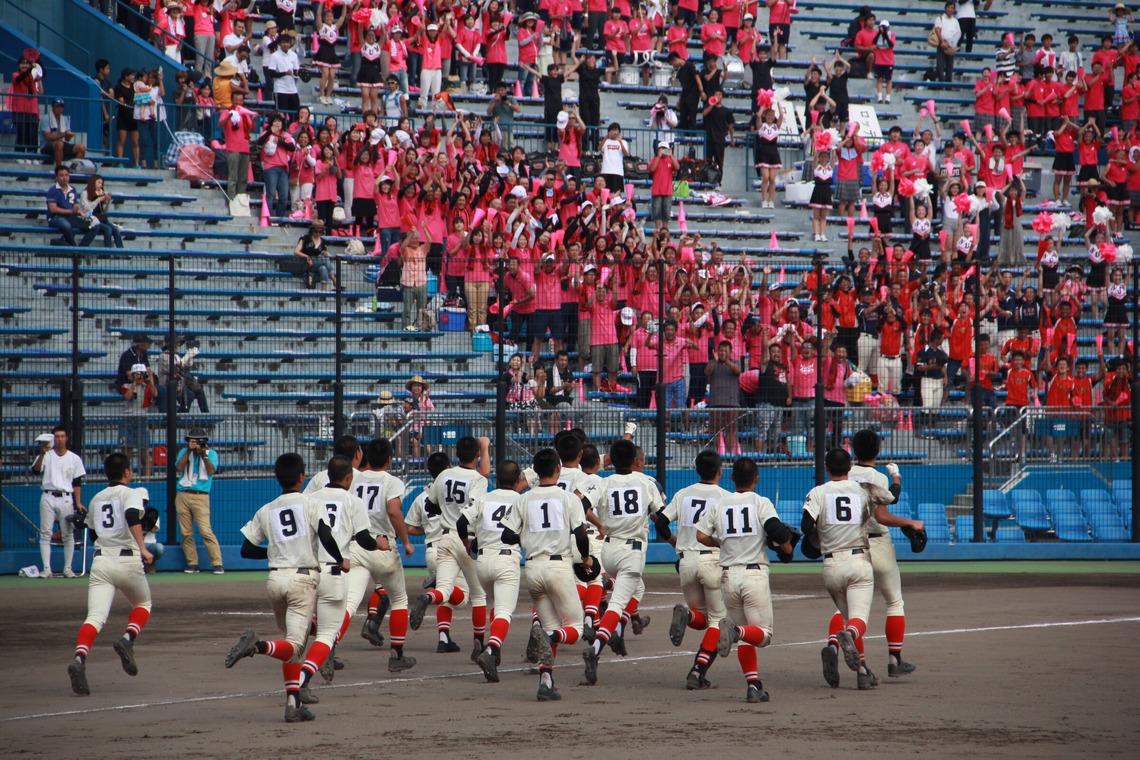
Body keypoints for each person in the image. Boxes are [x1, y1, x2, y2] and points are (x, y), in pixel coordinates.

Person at [224, 453, 349, 723]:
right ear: (302, 477)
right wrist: (340, 559)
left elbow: (246, 549)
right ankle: (257, 646)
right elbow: (326, 535)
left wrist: (274, 554)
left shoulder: (267, 509)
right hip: (302, 581)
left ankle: (293, 704)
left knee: (292, 643)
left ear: (277, 478)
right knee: (293, 645)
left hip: (275, 580)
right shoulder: (310, 502)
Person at [802, 448, 924, 690]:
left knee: (845, 617)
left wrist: (821, 536)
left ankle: (862, 671)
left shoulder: (817, 492)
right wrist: (896, 477)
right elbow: (892, 497)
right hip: (859, 559)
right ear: (849, 469)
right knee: (858, 620)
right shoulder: (864, 489)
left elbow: (807, 526)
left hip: (831, 564)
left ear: (826, 468)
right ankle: (867, 646)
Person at [693, 456, 793, 703]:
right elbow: (778, 531)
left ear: (732, 477)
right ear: (756, 479)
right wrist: (787, 548)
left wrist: (721, 543)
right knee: (763, 634)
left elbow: (700, 535)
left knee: (746, 636)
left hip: (728, 576)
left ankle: (753, 685)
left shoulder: (720, 504)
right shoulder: (761, 502)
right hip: (753, 575)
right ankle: (735, 632)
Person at [501, 448, 592, 701]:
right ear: (557, 469)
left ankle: (546, 682)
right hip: (558, 567)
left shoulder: (523, 498)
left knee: (550, 625)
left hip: (532, 568)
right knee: (573, 629)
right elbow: (581, 535)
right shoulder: (567, 498)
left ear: (534, 472)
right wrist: (585, 558)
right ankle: (548, 636)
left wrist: (529, 535)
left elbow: (506, 535)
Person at [66, 452, 154, 696]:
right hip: (127, 561)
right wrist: (143, 547)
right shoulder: (131, 493)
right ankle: (127, 638)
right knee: (143, 603)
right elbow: (131, 516)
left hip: (101, 562)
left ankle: (80, 658)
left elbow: (93, 533)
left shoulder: (96, 498)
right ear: (127, 472)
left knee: (94, 617)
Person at [581, 439, 665, 685]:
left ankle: (616, 625)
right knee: (618, 605)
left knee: (630, 591)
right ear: (635, 461)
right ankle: (597, 648)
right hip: (632, 550)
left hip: (608, 549)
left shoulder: (603, 482)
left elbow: (582, 505)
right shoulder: (645, 482)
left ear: (611, 460)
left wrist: (600, 524)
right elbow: (660, 516)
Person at [296, 456, 377, 702]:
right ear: (349, 477)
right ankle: (302, 681)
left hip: (305, 571)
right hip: (333, 571)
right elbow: (364, 539)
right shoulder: (353, 501)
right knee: (327, 634)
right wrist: (379, 545)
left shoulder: (309, 499)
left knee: (297, 634)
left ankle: (272, 653)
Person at [409, 435, 491, 661]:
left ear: (456, 454)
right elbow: (476, 508)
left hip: (444, 538)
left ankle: (429, 596)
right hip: (467, 538)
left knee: (444, 590)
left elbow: (433, 503)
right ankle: (478, 643)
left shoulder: (444, 474)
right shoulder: (478, 479)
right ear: (476, 455)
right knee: (478, 595)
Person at [344, 437, 417, 672]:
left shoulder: (353, 478)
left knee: (349, 603)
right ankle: (396, 655)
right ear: (389, 459)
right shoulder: (391, 481)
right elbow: (394, 510)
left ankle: (329, 646)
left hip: (357, 545)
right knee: (399, 600)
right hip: (383, 545)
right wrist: (406, 541)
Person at [847, 429, 916, 677]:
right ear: (877, 451)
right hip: (878, 543)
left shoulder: (844, 475)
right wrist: (896, 478)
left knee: (847, 610)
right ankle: (895, 660)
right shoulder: (878, 477)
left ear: (853, 450)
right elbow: (888, 505)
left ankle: (838, 648)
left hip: (850, 545)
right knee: (894, 602)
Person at [660, 450, 730, 690]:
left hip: (686, 561)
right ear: (720, 471)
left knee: (700, 619)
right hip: (713, 561)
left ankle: (686, 616)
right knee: (718, 621)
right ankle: (697, 670)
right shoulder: (725, 497)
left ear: (697, 470)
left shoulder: (683, 494)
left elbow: (659, 521)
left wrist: (673, 540)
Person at [459, 459, 524, 683]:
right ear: (518, 481)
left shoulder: (485, 497)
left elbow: (461, 522)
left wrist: (467, 544)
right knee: (505, 611)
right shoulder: (521, 499)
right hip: (506, 561)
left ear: (496, 479)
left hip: (483, 562)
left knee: (497, 605)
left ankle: (494, 653)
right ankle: (491, 650)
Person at [32, 426, 86, 578]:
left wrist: (78, 502)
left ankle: (67, 568)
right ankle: (47, 568)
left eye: (62, 436)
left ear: (66, 438)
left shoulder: (74, 458)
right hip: (48, 495)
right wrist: (41, 455)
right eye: (57, 436)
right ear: (53, 438)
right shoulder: (47, 455)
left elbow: (77, 482)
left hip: (66, 497)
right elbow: (35, 470)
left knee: (68, 533)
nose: (59, 439)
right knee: (45, 533)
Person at [175, 427, 222, 575]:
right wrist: (189, 451)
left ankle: (217, 563)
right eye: (191, 441)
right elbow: (179, 467)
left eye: (197, 441)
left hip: (201, 496)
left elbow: (211, 471)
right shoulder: (184, 452)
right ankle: (192, 563)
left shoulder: (211, 454)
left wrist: (203, 455)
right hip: (183, 494)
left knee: (205, 531)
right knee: (186, 532)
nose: (194, 444)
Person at [45, 165, 98, 247]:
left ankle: (81, 249)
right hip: (56, 218)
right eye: (61, 175)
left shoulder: (73, 189)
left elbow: (75, 206)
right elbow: (53, 209)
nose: (64, 178)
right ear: (56, 177)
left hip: (70, 217)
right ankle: (73, 248)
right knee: (66, 225)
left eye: (66, 175)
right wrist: (71, 211)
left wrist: (80, 212)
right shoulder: (52, 190)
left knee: (94, 225)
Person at [119, 363, 156, 478]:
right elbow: (128, 396)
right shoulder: (126, 386)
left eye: (142, 374)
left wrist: (150, 381)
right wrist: (134, 383)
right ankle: (127, 478)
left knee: (145, 453)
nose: (140, 377)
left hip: (142, 419)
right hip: (128, 420)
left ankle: (147, 480)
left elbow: (155, 394)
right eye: (138, 374)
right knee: (126, 453)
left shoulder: (147, 387)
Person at [220, 90, 254, 201]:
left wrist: (253, 119)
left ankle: (240, 200)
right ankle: (231, 199)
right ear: (232, 100)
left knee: (243, 177)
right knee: (233, 177)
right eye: (236, 100)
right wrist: (228, 118)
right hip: (233, 149)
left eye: (240, 100)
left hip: (245, 148)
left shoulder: (244, 113)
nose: (238, 102)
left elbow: (251, 128)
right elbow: (220, 124)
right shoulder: (227, 112)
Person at [39, 99, 87, 165]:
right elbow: (48, 137)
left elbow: (67, 139)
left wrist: (68, 136)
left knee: (82, 148)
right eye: (57, 106)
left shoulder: (65, 119)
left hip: (60, 144)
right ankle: (59, 169)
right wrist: (64, 134)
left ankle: (74, 170)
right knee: (59, 144)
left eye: (61, 107)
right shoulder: (46, 118)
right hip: (46, 146)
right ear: (53, 107)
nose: (60, 109)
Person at [293, 220, 335, 290]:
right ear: (312, 230)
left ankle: (323, 292)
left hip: (318, 262)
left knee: (323, 268)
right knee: (325, 260)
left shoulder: (323, 241)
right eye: (316, 231)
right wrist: (307, 257)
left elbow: (325, 253)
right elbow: (296, 251)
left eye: (320, 232)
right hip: (307, 262)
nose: (318, 233)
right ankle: (334, 278)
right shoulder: (305, 238)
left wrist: (325, 253)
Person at [267, 30, 301, 115]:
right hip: (280, 89)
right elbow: (271, 73)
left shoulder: (294, 55)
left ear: (290, 44)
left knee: (295, 114)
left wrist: (298, 73)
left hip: (293, 90)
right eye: (283, 43)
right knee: (281, 115)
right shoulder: (274, 56)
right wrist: (284, 73)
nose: (285, 45)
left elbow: (296, 71)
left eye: (287, 43)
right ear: (279, 43)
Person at [932, 1, 962, 83]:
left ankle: (949, 84)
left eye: (952, 8)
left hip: (951, 45)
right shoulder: (940, 18)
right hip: (942, 44)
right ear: (945, 8)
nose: (950, 9)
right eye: (949, 7)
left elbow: (958, 32)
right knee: (940, 65)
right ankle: (941, 83)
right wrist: (942, 41)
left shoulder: (955, 21)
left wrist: (953, 43)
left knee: (950, 66)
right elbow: (937, 30)